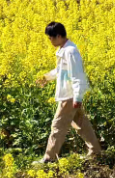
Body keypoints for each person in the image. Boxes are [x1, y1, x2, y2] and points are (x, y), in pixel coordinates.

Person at [35, 22, 102, 164]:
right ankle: (95, 152)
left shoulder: (70, 51)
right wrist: (46, 78)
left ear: (59, 36)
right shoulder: (64, 49)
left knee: (57, 126)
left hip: (70, 96)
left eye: (51, 38)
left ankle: (49, 158)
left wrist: (77, 97)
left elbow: (77, 75)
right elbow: (61, 71)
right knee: (81, 124)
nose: (50, 41)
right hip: (70, 95)